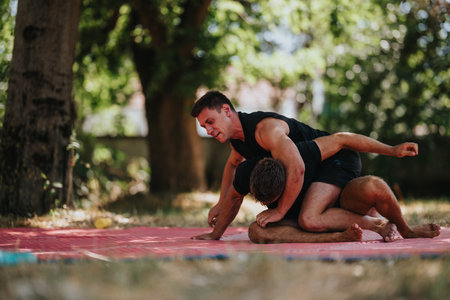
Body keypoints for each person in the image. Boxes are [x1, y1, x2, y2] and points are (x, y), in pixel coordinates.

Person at [245, 134, 440, 243]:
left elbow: (343, 138)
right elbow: (232, 193)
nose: (267, 205)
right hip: (311, 221)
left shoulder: (299, 156)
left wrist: (392, 149)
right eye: (264, 202)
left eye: (273, 200)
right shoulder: (247, 173)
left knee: (375, 186)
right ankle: (342, 235)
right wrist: (216, 226)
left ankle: (404, 229)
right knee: (256, 231)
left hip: (342, 196)